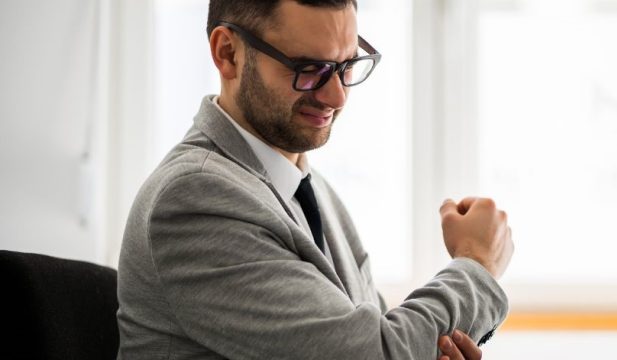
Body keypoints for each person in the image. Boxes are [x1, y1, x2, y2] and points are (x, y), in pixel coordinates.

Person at [116, 0, 514, 359]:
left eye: (346, 66)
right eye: (310, 70)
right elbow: (377, 354)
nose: (337, 97)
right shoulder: (194, 198)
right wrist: (477, 263)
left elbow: (375, 337)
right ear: (228, 53)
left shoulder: (311, 190)